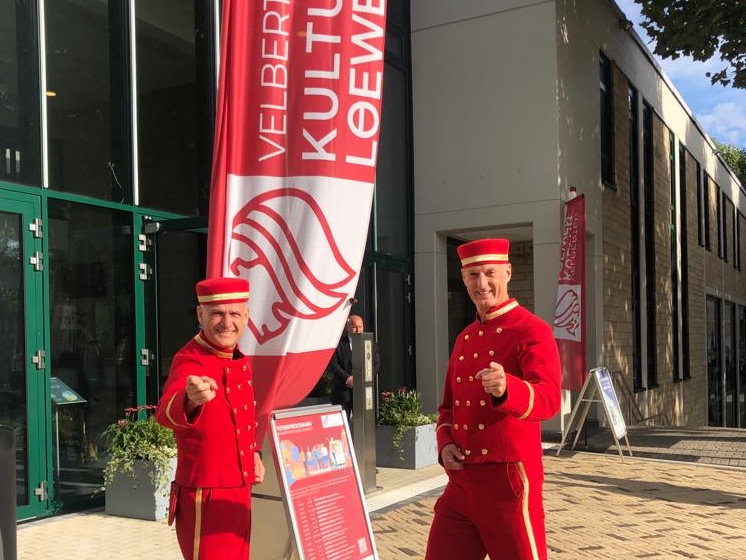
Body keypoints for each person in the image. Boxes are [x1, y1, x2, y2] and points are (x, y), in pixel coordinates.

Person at [425, 238, 561, 560]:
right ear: (463, 279)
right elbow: (447, 407)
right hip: (461, 483)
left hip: (509, 482)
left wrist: (507, 389)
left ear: (508, 272)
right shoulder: (464, 338)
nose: (482, 283)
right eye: (473, 275)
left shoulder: (532, 331)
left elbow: (550, 398)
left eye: (490, 273)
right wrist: (445, 444)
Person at [155, 277, 265, 560]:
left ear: (247, 316)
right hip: (207, 498)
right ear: (200, 315)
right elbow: (165, 413)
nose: (226, 322)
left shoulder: (238, 358)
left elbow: (239, 422)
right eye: (217, 313)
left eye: (235, 314)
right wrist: (190, 398)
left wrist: (253, 453)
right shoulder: (190, 359)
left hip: (239, 491)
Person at [328, 314, 379, 419]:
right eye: (355, 327)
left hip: (363, 393)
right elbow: (333, 364)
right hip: (342, 393)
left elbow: (376, 364)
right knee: (342, 426)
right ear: (347, 327)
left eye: (360, 327)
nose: (358, 330)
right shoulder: (338, 344)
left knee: (363, 424)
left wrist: (364, 380)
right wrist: (347, 378)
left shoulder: (370, 344)